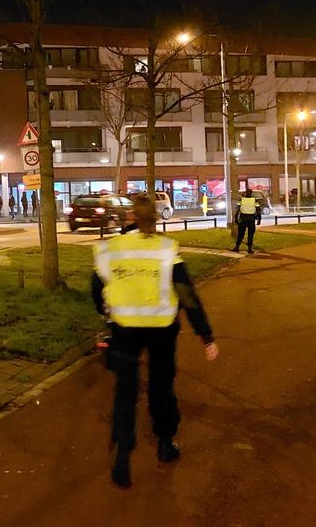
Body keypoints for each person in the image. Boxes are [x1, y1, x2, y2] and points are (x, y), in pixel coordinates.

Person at [92, 194, 219, 488]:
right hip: (162, 328)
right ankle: (164, 443)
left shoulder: (112, 248)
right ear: (155, 217)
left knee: (126, 391)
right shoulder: (166, 249)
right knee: (161, 386)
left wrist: (106, 310)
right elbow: (185, 292)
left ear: (130, 217)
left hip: (125, 328)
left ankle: (123, 453)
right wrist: (205, 335)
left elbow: (97, 287)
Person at [232, 189, 261, 253]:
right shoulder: (254, 200)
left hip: (243, 218)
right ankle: (249, 249)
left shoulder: (241, 200)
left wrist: (236, 218)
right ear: (251, 193)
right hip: (251, 218)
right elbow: (258, 210)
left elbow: (237, 210)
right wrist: (259, 219)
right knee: (251, 234)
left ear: (245, 193)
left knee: (241, 233)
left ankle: (237, 247)